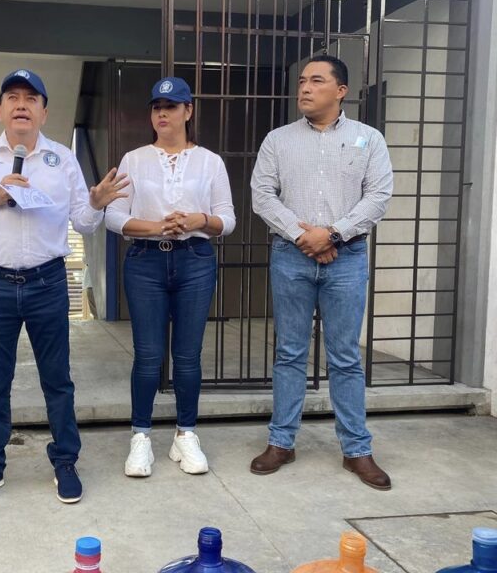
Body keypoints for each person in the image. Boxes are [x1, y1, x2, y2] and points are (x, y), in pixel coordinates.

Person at [0, 69, 127, 507]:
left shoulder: (61, 159)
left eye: (31, 98)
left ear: (44, 112)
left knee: (57, 380)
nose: (22, 105)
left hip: (47, 282)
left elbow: (83, 222)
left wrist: (96, 204)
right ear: (0, 110)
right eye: (12, 97)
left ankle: (65, 460)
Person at [250, 54, 394, 490]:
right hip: (291, 256)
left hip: (346, 257)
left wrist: (331, 234)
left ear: (341, 90)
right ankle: (281, 442)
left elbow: (378, 196)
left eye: (316, 81)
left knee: (345, 356)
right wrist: (304, 236)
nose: (305, 88)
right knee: (289, 352)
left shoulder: (368, 139)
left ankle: (357, 450)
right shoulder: (278, 140)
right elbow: (262, 194)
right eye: (302, 81)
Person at [105, 77, 236, 478]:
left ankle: (185, 433)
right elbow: (114, 216)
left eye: (171, 106)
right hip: (145, 260)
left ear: (188, 111)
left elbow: (227, 219)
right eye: (156, 107)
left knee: (188, 354)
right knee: (147, 354)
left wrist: (200, 220)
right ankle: (141, 436)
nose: (162, 113)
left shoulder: (210, 162)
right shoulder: (134, 159)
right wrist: (156, 227)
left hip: (195, 259)